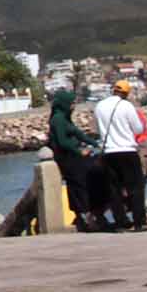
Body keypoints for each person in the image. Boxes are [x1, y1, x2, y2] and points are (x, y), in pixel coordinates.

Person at [47, 86, 108, 231]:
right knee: (79, 184)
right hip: (68, 159)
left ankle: (96, 211)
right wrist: (79, 151)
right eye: (71, 103)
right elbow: (62, 141)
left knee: (98, 174)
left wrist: (96, 143)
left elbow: (79, 134)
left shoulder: (66, 118)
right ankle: (85, 215)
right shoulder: (58, 119)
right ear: (64, 104)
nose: (73, 106)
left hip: (75, 156)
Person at [97, 78, 147, 232]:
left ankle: (121, 223)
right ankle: (139, 221)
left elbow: (96, 128)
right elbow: (138, 129)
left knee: (113, 189)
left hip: (108, 153)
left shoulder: (100, 106)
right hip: (127, 151)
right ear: (126, 93)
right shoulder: (126, 106)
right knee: (135, 187)